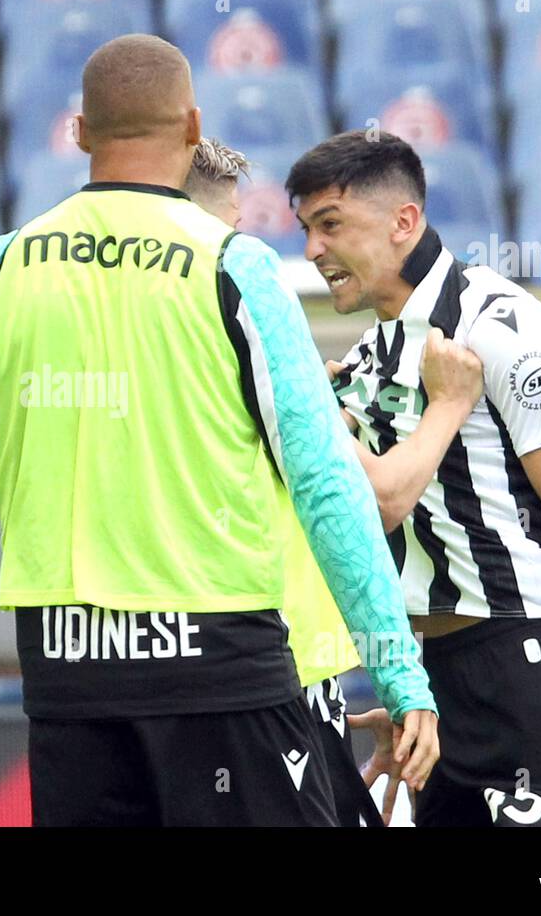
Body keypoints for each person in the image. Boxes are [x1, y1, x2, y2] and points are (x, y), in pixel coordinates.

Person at [0, 35, 439, 826]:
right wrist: (399, 673)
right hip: (220, 674)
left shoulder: (5, 266)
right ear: (193, 128)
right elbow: (326, 481)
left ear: (80, 133)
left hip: (70, 683)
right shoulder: (234, 267)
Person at [287, 129, 541, 827]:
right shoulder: (368, 355)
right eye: (306, 229)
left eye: (330, 224)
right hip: (437, 676)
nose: (314, 251)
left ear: (404, 221)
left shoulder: (501, 324)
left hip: (533, 660)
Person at [184, 135, 381, 826]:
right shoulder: (230, 303)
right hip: (278, 669)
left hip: (233, 668)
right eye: (231, 230)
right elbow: (371, 497)